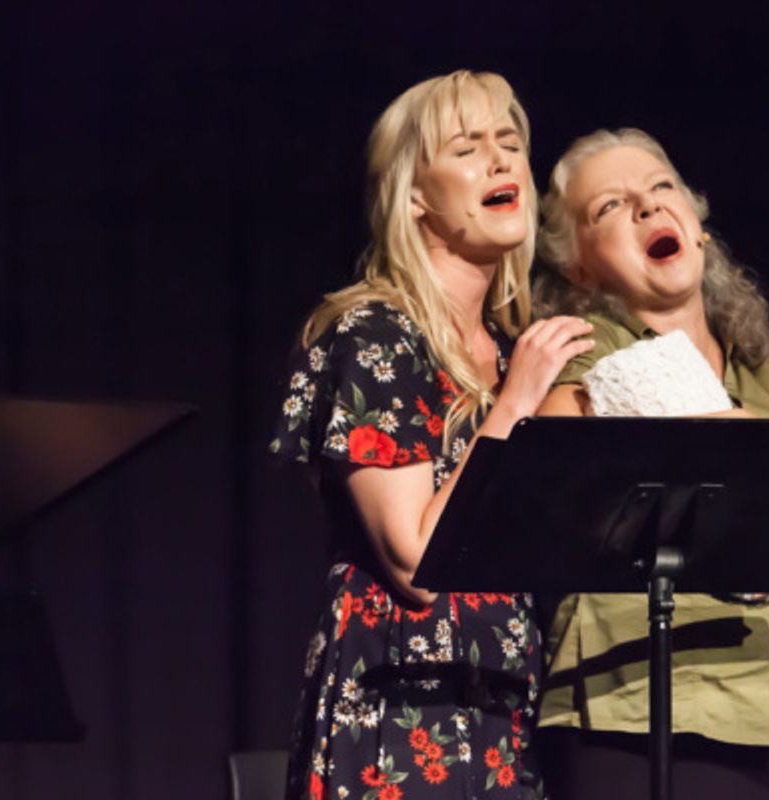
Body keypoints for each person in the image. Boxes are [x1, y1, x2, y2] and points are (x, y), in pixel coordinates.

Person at [269, 70, 593, 800]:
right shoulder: (376, 334)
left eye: (510, 144)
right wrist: (513, 404)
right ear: (415, 195)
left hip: (505, 706)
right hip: (396, 703)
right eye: (468, 147)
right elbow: (415, 563)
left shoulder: (518, 355)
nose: (502, 160)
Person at [532, 128, 769, 800]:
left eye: (661, 188)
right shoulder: (587, 354)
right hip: (637, 715)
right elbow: (548, 469)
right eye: (609, 207)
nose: (646, 208)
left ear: (697, 228)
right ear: (579, 267)